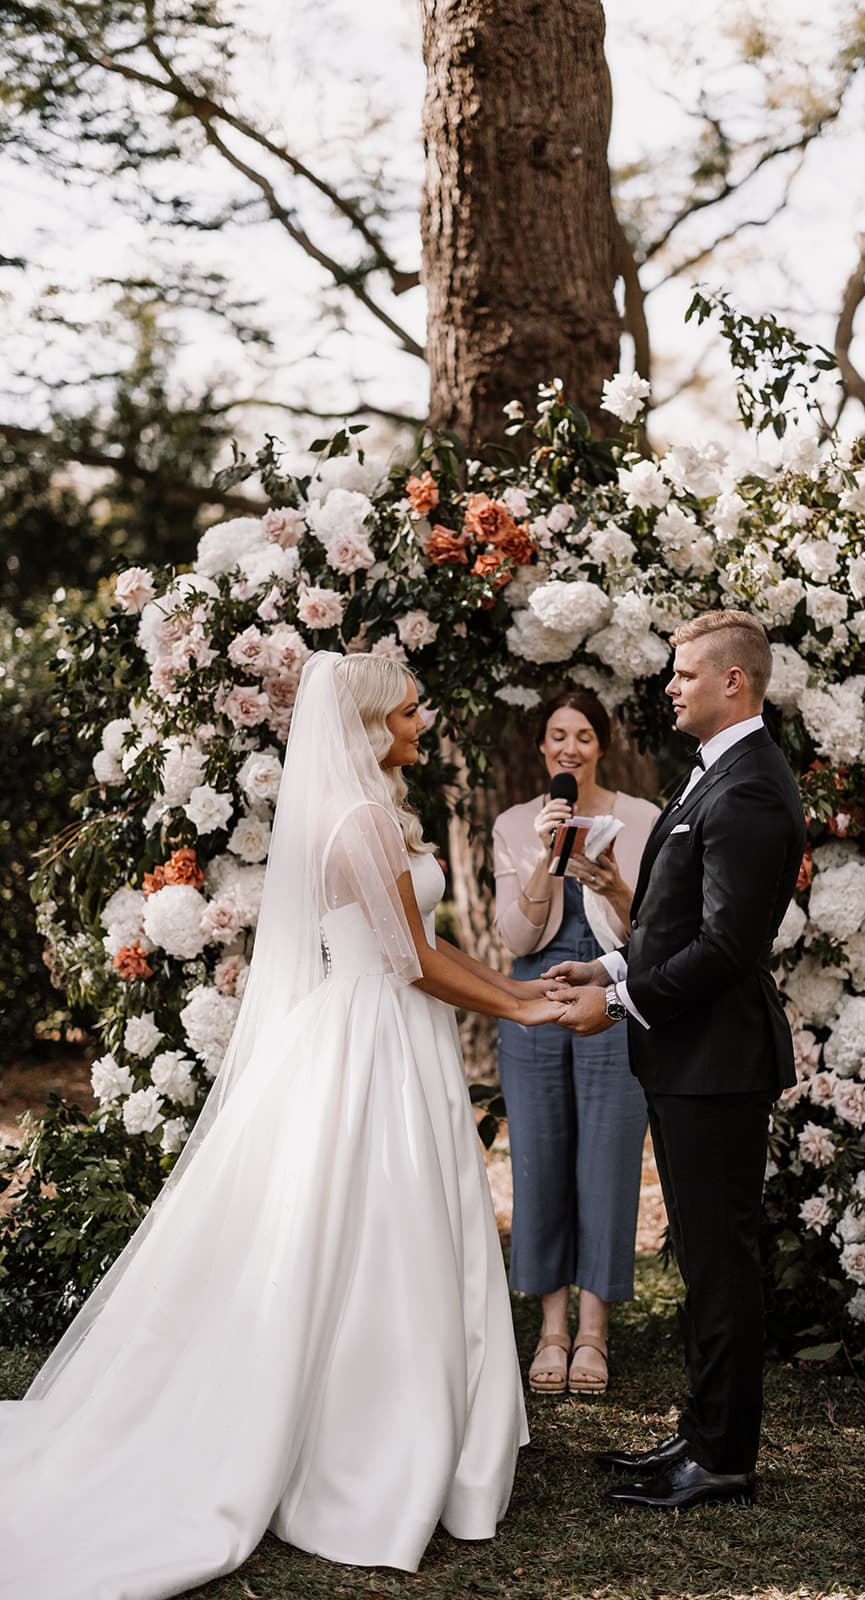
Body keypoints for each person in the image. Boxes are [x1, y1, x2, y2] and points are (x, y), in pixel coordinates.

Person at [0, 652, 568, 1600]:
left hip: (390, 1029)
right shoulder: (356, 820)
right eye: (411, 711)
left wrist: (518, 986)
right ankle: (365, 1452)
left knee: (394, 1229)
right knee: (377, 1233)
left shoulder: (369, 811)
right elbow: (413, 961)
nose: (421, 724)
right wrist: (530, 1013)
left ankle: (411, 1431)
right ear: (374, 722)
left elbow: (427, 944)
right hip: (371, 1036)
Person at [544, 610, 805, 1508]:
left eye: (684, 674)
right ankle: (697, 1432)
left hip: (719, 1064)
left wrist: (615, 1001)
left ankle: (723, 1456)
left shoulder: (754, 789)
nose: (669, 686)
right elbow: (674, 922)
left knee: (719, 1261)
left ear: (734, 681)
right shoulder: (710, 779)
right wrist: (611, 962)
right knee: (696, 1254)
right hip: (686, 1058)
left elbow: (729, 946)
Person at [492, 690, 659, 1396]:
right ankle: (551, 1328)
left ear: (602, 744)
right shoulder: (512, 822)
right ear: (540, 746)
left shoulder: (641, 819)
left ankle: (593, 1330)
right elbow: (515, 936)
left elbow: (649, 929)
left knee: (608, 1160)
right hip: (532, 998)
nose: (570, 748)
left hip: (611, 995)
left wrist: (614, 883)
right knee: (538, 1160)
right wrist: (541, 857)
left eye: (583, 736)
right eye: (557, 735)